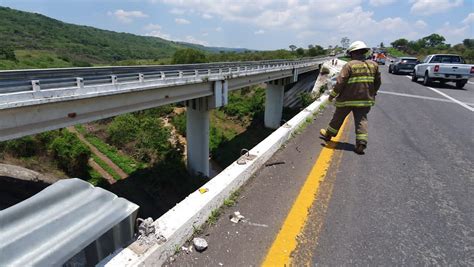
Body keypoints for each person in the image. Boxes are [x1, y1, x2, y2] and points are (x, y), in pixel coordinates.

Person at [320, 41, 381, 154]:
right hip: (365, 100)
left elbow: (340, 82)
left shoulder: (349, 65)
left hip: (346, 100)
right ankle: (361, 143)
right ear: (364, 52)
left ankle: (328, 135)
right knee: (361, 120)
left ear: (352, 53)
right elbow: (377, 82)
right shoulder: (374, 65)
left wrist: (332, 96)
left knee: (338, 118)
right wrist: (373, 93)